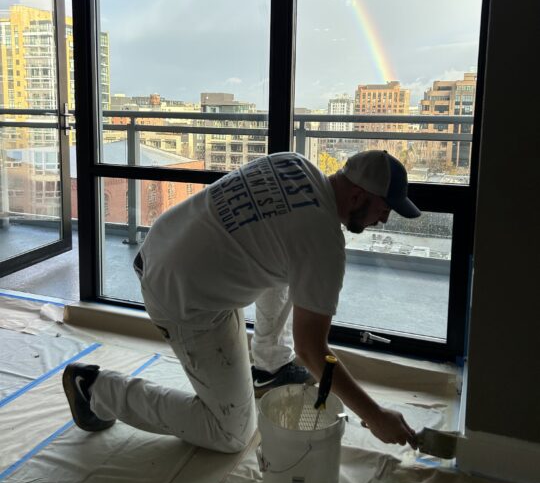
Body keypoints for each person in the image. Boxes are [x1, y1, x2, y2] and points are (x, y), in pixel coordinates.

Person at [63, 149, 420, 453]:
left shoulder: (293, 163)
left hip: (164, 246)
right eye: (384, 208)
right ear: (357, 197)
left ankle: (269, 366)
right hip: (183, 299)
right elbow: (311, 348)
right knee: (231, 433)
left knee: (288, 269)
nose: (384, 219)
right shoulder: (323, 243)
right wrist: (374, 416)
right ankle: (95, 387)